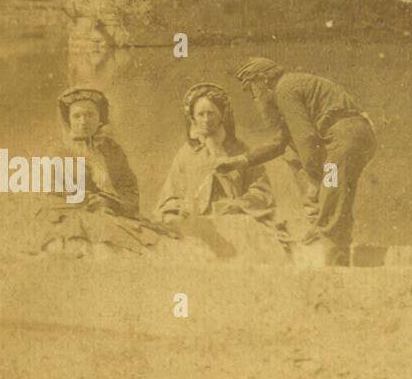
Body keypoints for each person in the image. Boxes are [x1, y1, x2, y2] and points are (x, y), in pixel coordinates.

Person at [225, 58, 376, 266]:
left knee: (331, 194)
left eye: (251, 87)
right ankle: (337, 254)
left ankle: (328, 255)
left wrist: (314, 179)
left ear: (264, 80)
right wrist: (240, 161)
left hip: (344, 139)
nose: (252, 95)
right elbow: (280, 142)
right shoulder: (291, 89)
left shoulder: (284, 89)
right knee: (336, 196)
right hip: (351, 137)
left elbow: (306, 138)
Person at [154, 83, 284, 254]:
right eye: (201, 114)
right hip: (196, 220)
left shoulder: (241, 151)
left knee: (249, 236)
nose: (206, 120)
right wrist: (178, 207)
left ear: (222, 115)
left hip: (235, 217)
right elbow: (171, 193)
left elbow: (261, 190)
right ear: (192, 118)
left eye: (211, 113)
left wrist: (239, 204)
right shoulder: (186, 153)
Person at [37, 87, 167, 258]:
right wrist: (88, 201)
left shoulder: (112, 150)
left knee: (157, 245)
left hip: (112, 213)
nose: (83, 121)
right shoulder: (58, 150)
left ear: (100, 118)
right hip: (70, 217)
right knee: (100, 248)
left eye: (90, 115)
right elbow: (52, 194)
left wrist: (110, 202)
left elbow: (129, 188)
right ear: (68, 120)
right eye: (77, 116)